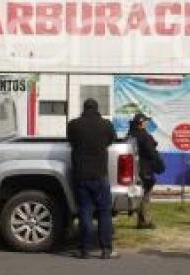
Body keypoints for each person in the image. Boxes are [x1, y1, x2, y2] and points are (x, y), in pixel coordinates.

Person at [66, 99, 119, 259]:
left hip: (81, 175)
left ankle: (84, 250)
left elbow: (71, 141)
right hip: (100, 175)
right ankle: (106, 250)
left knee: (85, 212)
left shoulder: (74, 124)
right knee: (104, 212)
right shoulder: (106, 124)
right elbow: (111, 140)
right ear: (97, 109)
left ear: (84, 108)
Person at [127, 112, 163, 230]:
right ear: (141, 123)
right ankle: (144, 221)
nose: (147, 123)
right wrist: (160, 165)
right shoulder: (144, 135)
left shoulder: (131, 134)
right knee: (145, 196)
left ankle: (141, 219)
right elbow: (151, 153)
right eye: (145, 121)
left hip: (134, 169)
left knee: (140, 194)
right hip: (145, 169)